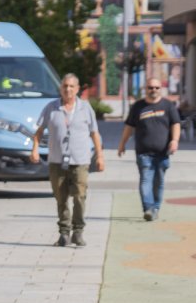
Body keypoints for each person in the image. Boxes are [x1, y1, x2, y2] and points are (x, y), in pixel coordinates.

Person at [30, 73, 104, 247]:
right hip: (56, 160)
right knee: (61, 197)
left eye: (72, 86)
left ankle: (78, 231)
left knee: (79, 196)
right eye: (65, 86)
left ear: (77, 89)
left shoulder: (86, 108)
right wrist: (34, 149)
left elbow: (94, 133)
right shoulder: (51, 107)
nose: (68, 89)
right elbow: (39, 131)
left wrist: (100, 155)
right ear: (61, 88)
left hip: (80, 160)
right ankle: (64, 233)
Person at [117, 78, 180, 221]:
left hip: (163, 153)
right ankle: (148, 208)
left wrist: (175, 141)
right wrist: (122, 144)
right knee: (145, 180)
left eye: (157, 88)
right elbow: (129, 127)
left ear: (161, 89)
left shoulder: (168, 105)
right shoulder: (138, 106)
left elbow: (175, 124)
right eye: (151, 87)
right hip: (143, 152)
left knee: (159, 182)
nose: (154, 90)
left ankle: (156, 208)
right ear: (146, 89)